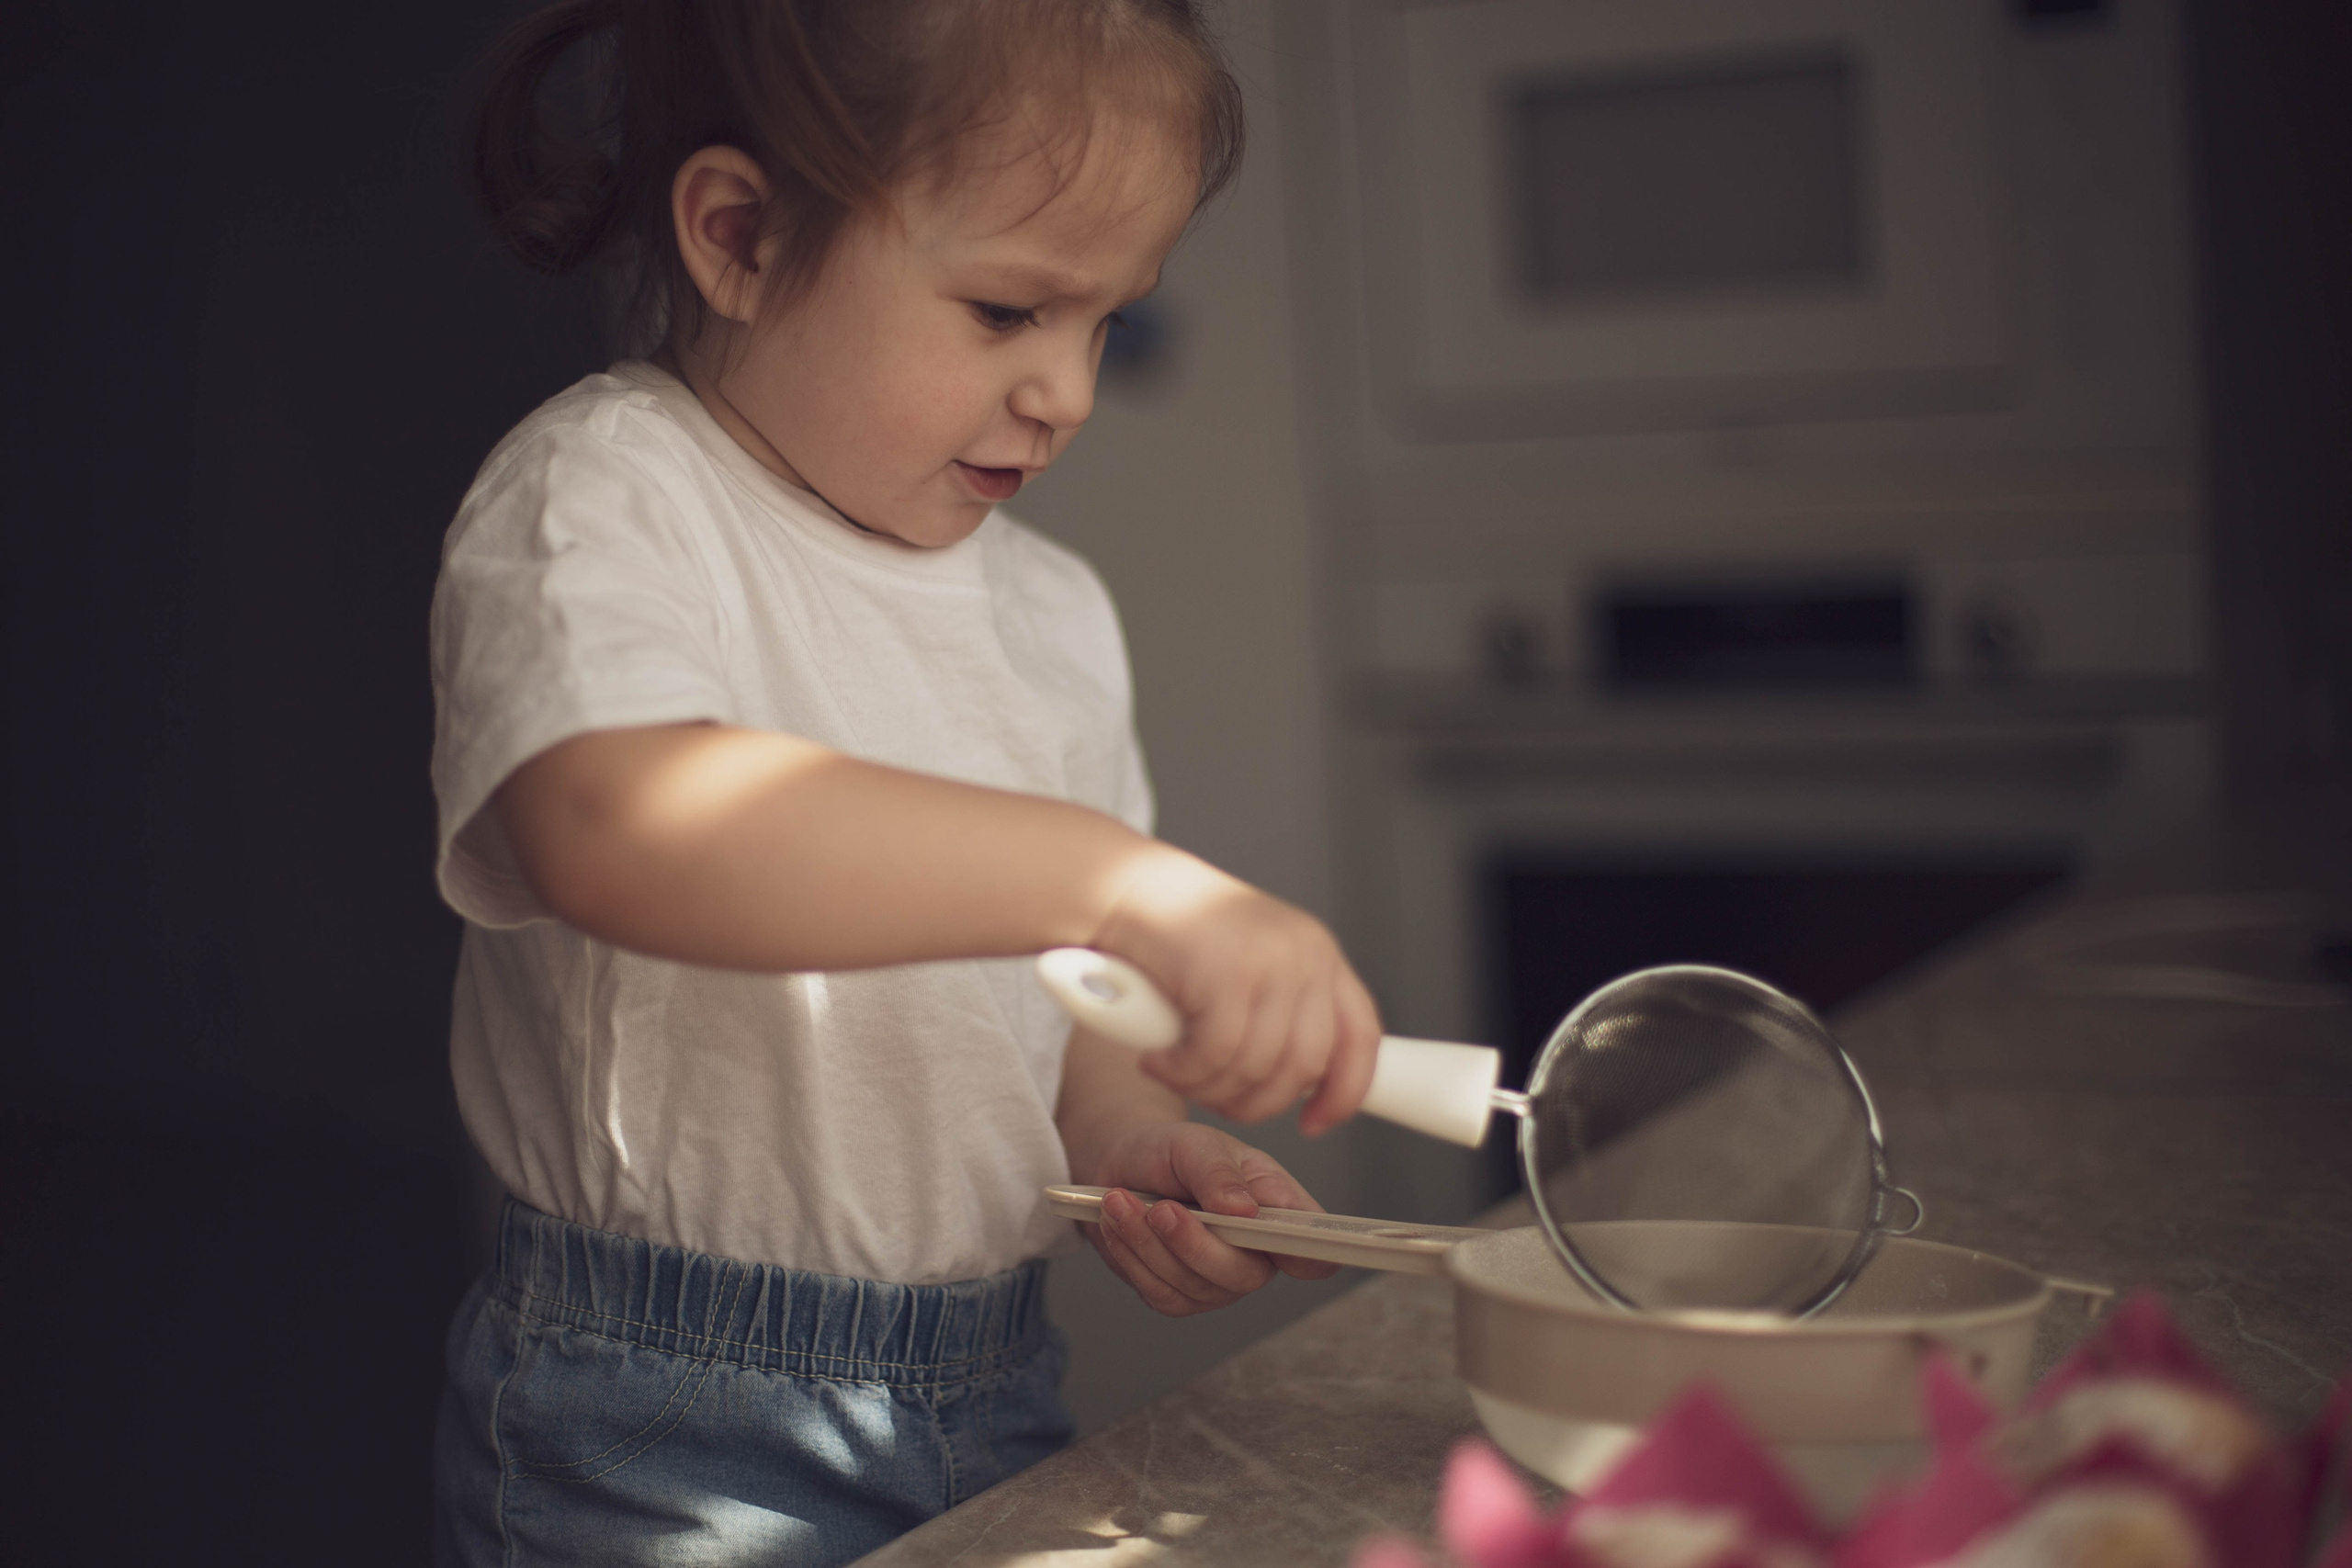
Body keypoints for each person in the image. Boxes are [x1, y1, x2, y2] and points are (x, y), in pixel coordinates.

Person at [428, 3, 1384, 1563]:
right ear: (739, 237)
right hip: (658, 1427)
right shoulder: (609, 495)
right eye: (1008, 310)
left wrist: (1132, 1144)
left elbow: (1067, 1014)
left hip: (994, 1383)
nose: (1065, 391)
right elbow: (618, 823)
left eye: (1105, 321)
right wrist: (1121, 879)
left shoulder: (1055, 617)